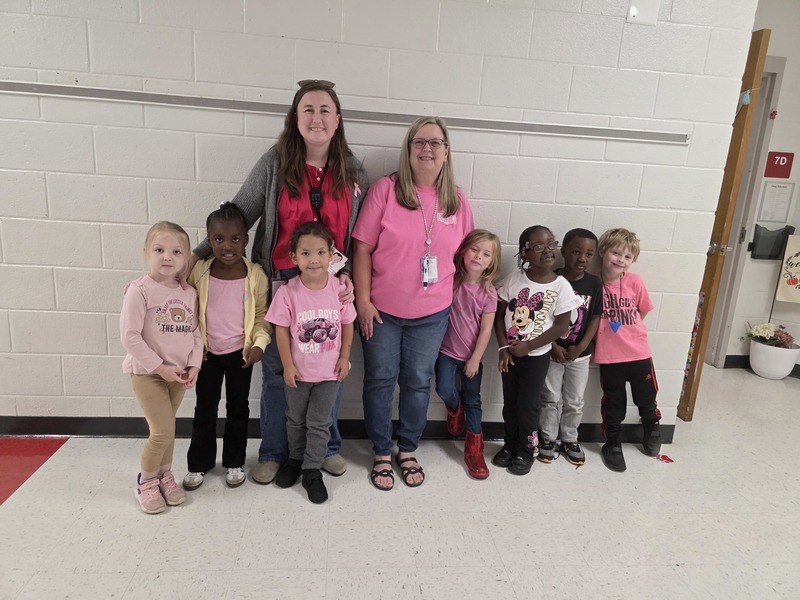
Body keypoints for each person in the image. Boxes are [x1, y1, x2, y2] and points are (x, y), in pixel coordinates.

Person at [187, 80, 369, 485]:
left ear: (337, 120)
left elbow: (360, 238)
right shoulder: (274, 163)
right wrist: (195, 257)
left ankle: (327, 448)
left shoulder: (354, 170)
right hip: (281, 282)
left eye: (325, 110)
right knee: (276, 373)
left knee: (327, 370)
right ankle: (272, 451)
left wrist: (354, 282)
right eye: (308, 109)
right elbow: (240, 214)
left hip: (329, 284)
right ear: (295, 118)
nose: (317, 117)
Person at [354, 116, 474, 490]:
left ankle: (407, 449)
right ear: (408, 149)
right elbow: (362, 248)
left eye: (436, 143)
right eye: (419, 142)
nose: (427, 149)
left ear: (446, 151)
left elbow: (468, 256)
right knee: (380, 381)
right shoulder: (386, 191)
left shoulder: (456, 199)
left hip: (432, 314)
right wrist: (362, 301)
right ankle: (380, 451)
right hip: (382, 311)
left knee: (418, 382)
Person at [182, 203, 270, 491]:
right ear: (209, 240)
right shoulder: (200, 273)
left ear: (245, 239)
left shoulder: (255, 276)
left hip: (239, 355)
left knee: (238, 409)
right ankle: (199, 464)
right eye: (219, 240)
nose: (228, 246)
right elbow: (190, 312)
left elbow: (260, 317)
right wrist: (194, 349)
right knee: (204, 409)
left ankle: (235, 461)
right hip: (207, 355)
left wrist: (258, 345)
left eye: (235, 239)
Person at [266, 222, 356, 504]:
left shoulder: (338, 289)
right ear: (294, 257)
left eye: (320, 252)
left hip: (329, 374)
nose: (314, 259)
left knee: (319, 422)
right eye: (305, 253)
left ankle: (312, 470)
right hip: (299, 373)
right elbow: (280, 329)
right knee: (295, 420)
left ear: (332, 256)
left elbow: (348, 323)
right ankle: (294, 459)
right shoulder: (288, 292)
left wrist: (344, 357)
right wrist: (287, 365)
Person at [120, 222, 203, 514]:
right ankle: (145, 482)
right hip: (148, 375)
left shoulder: (188, 293)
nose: (167, 257)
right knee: (161, 431)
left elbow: (195, 333)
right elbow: (130, 336)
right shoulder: (139, 290)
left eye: (176, 251)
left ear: (186, 258)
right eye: (159, 250)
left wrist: (193, 365)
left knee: (169, 429)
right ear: (146, 253)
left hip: (177, 375)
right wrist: (160, 367)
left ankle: (164, 476)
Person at [492, 225, 583, 476]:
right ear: (524, 253)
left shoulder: (560, 285)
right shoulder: (513, 280)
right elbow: (499, 317)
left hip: (536, 357)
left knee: (528, 406)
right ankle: (510, 445)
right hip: (510, 356)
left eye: (551, 244)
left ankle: (527, 449)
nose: (548, 250)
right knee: (510, 404)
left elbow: (562, 326)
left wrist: (529, 346)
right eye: (539, 246)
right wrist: (503, 348)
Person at [434, 229, 500, 480]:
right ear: (462, 251)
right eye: (474, 249)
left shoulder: (489, 292)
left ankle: (474, 450)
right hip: (446, 352)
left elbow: (486, 330)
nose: (478, 257)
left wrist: (475, 359)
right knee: (444, 389)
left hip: (472, 357)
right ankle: (455, 408)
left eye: (486, 254)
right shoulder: (451, 281)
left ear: (491, 262)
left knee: (474, 400)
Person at [594, 228, 662, 472]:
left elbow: (642, 310)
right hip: (609, 355)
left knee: (646, 395)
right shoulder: (594, 283)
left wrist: (629, 331)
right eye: (615, 252)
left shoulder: (635, 281)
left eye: (627, 257)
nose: (620, 260)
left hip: (638, 352)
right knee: (614, 401)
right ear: (603, 251)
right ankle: (612, 442)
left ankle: (652, 426)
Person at [538, 228, 603, 466]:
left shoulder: (594, 284)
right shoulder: (550, 280)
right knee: (550, 397)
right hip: (551, 352)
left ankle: (570, 439)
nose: (582, 258)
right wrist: (553, 345)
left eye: (588, 254)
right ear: (563, 251)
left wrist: (582, 346)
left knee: (575, 400)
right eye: (576, 252)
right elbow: (542, 318)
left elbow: (595, 317)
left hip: (580, 355)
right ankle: (547, 438)